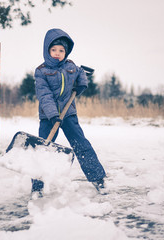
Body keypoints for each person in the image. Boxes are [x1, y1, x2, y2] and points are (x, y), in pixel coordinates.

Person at [32, 28, 106, 194]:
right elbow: (44, 95)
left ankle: (98, 178)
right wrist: (53, 115)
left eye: (61, 50)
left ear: (66, 52)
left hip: (69, 114)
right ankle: (37, 187)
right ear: (47, 50)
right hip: (48, 117)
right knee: (43, 149)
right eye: (54, 50)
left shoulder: (71, 66)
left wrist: (82, 83)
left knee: (81, 144)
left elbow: (81, 74)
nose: (57, 53)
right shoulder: (41, 71)